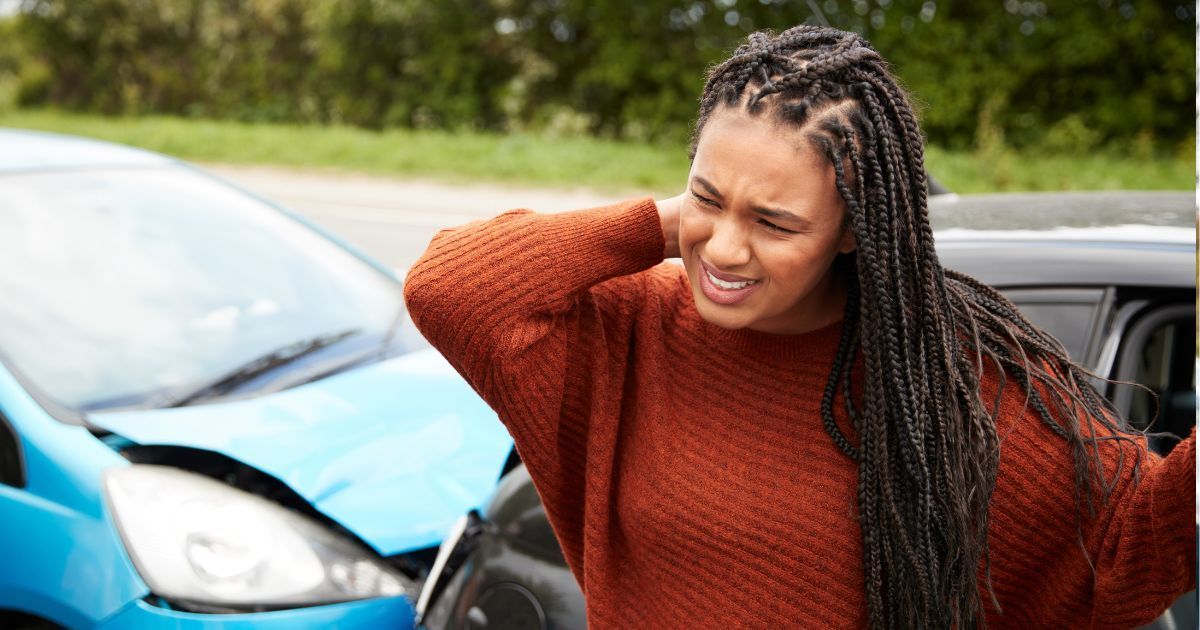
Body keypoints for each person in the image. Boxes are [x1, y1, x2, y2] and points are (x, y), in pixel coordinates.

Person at [404, 25, 1195, 629]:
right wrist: (680, 218)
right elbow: (451, 288)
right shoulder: (631, 326)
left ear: (855, 229)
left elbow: (1137, 543)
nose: (725, 249)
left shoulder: (947, 383)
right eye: (706, 198)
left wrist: (728, 200)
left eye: (776, 223)